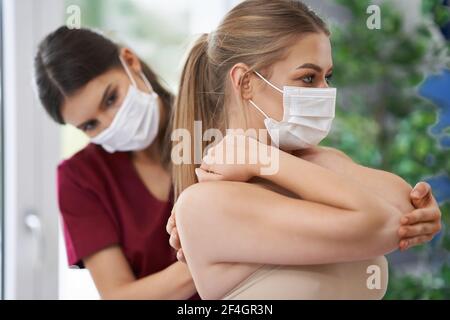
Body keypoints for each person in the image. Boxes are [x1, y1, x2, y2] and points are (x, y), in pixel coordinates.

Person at [167, 0, 443, 300]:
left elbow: (408, 210)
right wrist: (263, 160)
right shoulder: (205, 203)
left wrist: (303, 159)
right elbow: (387, 226)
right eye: (308, 78)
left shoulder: (313, 164)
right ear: (245, 82)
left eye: (328, 77)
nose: (325, 92)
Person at [34, 27, 199, 299]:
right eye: (90, 124)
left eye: (111, 98)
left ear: (130, 62)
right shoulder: (80, 177)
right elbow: (117, 295)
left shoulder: (211, 125)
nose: (112, 124)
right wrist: (216, 254)